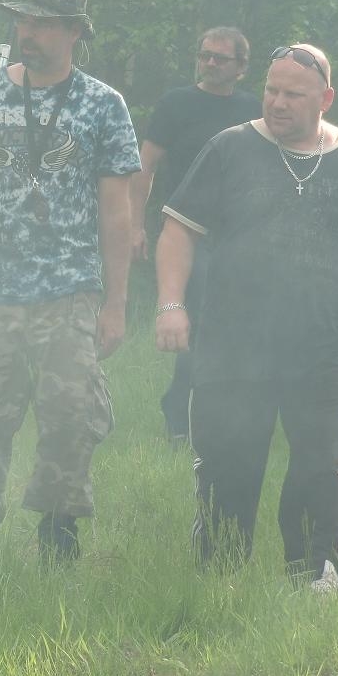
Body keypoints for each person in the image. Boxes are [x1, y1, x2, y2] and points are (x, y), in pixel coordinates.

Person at [154, 43, 338, 592]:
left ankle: (314, 575)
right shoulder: (230, 148)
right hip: (233, 345)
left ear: (326, 98)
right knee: (228, 462)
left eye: (294, 94)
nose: (278, 102)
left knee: (319, 461)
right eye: (271, 90)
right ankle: (219, 577)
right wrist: (171, 304)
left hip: (323, 345)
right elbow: (178, 231)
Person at [0, 0, 140, 564]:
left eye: (43, 23)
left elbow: (117, 211)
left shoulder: (103, 104)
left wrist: (115, 302)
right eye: (23, 20)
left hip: (69, 288)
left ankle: (58, 536)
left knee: (71, 417)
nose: (28, 32)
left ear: (74, 32)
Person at [128, 26, 259, 444]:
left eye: (221, 58)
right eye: (205, 55)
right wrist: (135, 225)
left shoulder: (253, 110)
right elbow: (145, 166)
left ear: (241, 67)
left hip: (237, 238)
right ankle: (181, 416)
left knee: (234, 327)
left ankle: (223, 414)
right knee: (198, 324)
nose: (211, 63)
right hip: (185, 235)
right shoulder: (176, 104)